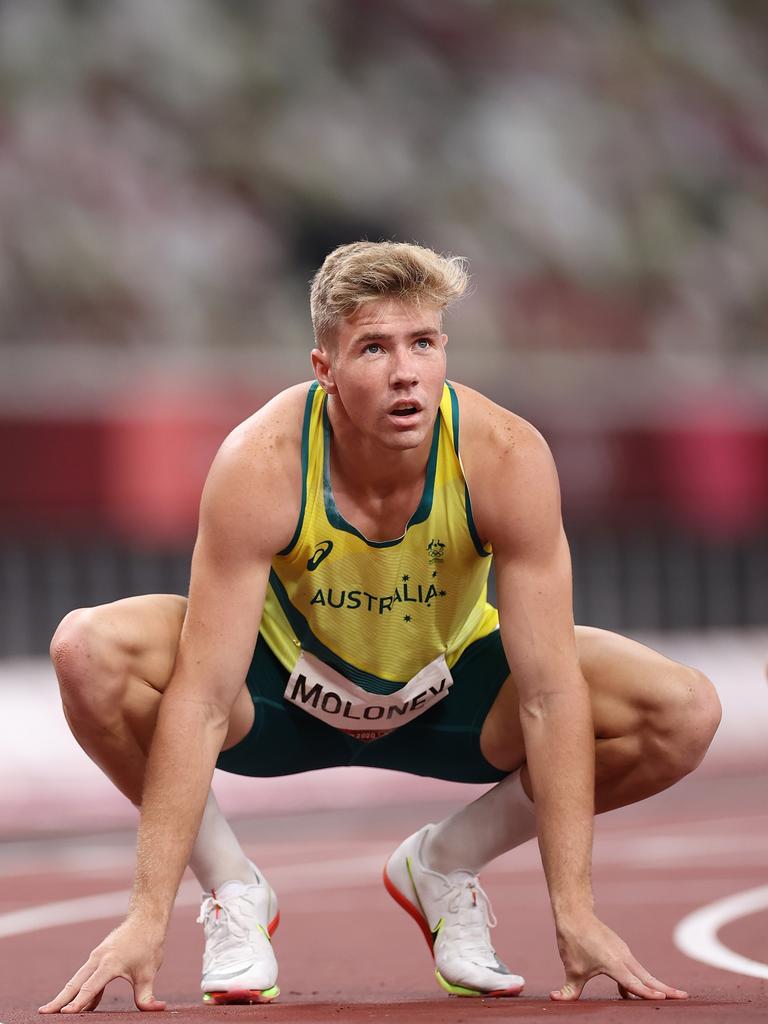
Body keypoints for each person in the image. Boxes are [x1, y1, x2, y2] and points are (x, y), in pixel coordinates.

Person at [40, 241, 721, 1012]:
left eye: (423, 343)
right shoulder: (261, 461)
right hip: (278, 703)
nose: (406, 373)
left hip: (453, 702)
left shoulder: (505, 456)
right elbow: (200, 700)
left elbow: (549, 696)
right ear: (323, 367)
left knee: (682, 711)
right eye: (374, 348)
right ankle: (235, 889)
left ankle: (444, 862)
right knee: (86, 650)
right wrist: (146, 915)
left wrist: (576, 912)